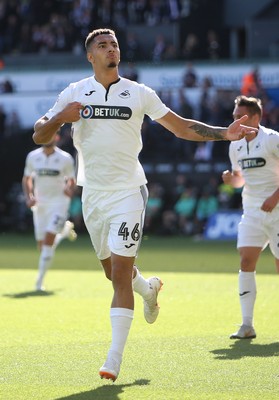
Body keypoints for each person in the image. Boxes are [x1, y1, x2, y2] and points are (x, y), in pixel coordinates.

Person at [32, 28, 257, 382]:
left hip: (128, 192)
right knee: (112, 273)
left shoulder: (138, 93)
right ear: (90, 56)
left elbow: (181, 127)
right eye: (103, 46)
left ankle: (113, 360)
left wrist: (223, 133)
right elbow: (39, 133)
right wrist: (61, 117)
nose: (111, 50)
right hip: (92, 194)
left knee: (120, 274)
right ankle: (149, 288)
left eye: (115, 45)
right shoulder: (74, 92)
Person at [222, 95, 279, 340]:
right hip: (252, 211)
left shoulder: (273, 140)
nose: (235, 120)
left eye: (240, 116)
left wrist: (274, 198)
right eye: (234, 116)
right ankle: (247, 325)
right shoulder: (234, 144)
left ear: (256, 118)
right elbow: (240, 178)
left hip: (277, 210)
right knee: (246, 261)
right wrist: (231, 180)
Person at [22, 134, 77, 292]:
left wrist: (69, 188)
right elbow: (27, 179)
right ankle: (64, 233)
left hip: (59, 204)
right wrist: (29, 197)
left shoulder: (65, 158)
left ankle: (38, 283)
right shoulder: (33, 157)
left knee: (47, 242)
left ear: (57, 137)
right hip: (40, 205)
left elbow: (72, 180)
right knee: (43, 246)